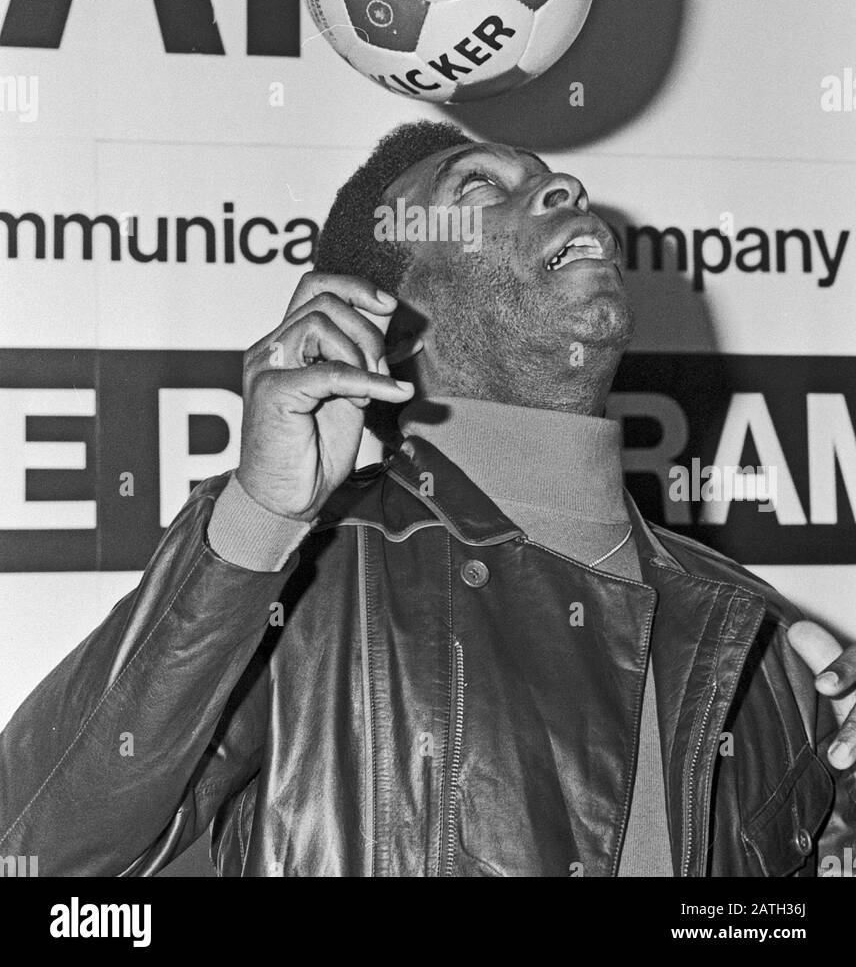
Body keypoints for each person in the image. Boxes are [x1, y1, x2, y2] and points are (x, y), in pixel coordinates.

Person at [1, 119, 854, 877]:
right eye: (481, 188)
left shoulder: (764, 635)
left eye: (555, 180)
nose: (565, 186)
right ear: (390, 312)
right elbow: (37, 851)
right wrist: (259, 521)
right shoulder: (302, 575)